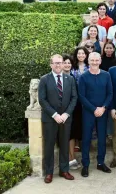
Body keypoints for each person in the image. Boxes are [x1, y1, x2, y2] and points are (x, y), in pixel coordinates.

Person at [38, 54, 78, 183]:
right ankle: (49, 172)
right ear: (51, 64)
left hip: (66, 119)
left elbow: (74, 98)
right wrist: (55, 115)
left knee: (64, 145)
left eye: (60, 63)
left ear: (62, 64)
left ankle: (64, 170)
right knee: (49, 145)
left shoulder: (70, 79)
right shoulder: (44, 79)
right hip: (50, 119)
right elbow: (42, 100)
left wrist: (66, 114)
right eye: (55, 63)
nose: (58, 65)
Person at [78, 52, 113, 177]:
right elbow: (81, 96)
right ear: (88, 61)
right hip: (88, 112)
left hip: (102, 112)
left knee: (102, 138)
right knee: (86, 138)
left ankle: (100, 163)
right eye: (92, 60)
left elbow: (110, 94)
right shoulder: (83, 77)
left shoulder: (106, 75)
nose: (94, 62)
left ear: (100, 61)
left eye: (96, 60)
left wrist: (103, 107)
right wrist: (94, 109)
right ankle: (85, 165)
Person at [69, 47, 89, 170]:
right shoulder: (72, 68)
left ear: (86, 55)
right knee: (75, 125)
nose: (81, 55)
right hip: (75, 101)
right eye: (79, 53)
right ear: (76, 55)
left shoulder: (90, 67)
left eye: (83, 53)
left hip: (87, 100)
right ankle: (74, 147)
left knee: (84, 125)